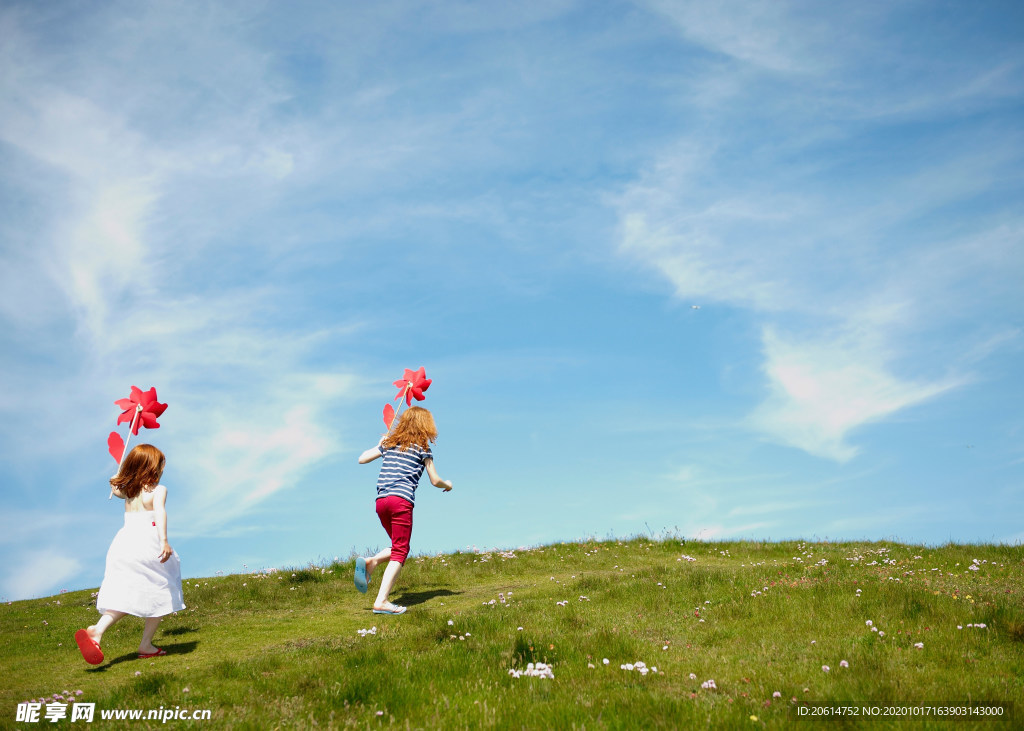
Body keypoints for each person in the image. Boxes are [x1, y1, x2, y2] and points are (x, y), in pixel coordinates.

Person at [74, 444, 185, 664]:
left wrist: (117, 475)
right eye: (160, 465)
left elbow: (114, 486)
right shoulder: (158, 490)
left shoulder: (128, 491)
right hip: (148, 542)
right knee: (163, 588)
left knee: (127, 593)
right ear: (152, 466)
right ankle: (145, 644)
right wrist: (164, 540)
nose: (162, 469)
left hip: (124, 544)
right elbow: (160, 513)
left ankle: (98, 630)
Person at [354, 406, 452, 614]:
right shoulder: (423, 447)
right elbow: (435, 480)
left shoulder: (389, 443)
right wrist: (448, 484)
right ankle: (381, 601)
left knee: (399, 545)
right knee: (400, 551)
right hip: (401, 501)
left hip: (381, 501)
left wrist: (379, 444)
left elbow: (362, 459)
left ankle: (371, 562)